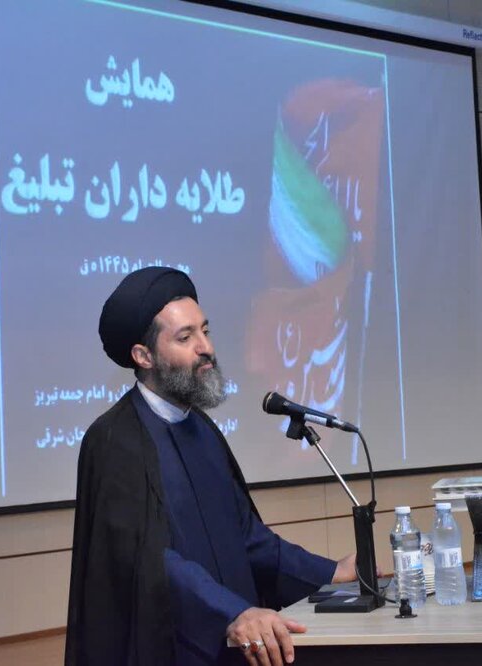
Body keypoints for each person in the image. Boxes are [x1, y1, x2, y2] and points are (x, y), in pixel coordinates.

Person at [65, 267, 358, 666]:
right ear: (143, 356)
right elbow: (148, 562)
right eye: (185, 337)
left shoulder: (202, 429)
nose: (206, 347)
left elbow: (249, 539)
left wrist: (330, 572)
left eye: (205, 331)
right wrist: (230, 612)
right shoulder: (115, 440)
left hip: (240, 645)